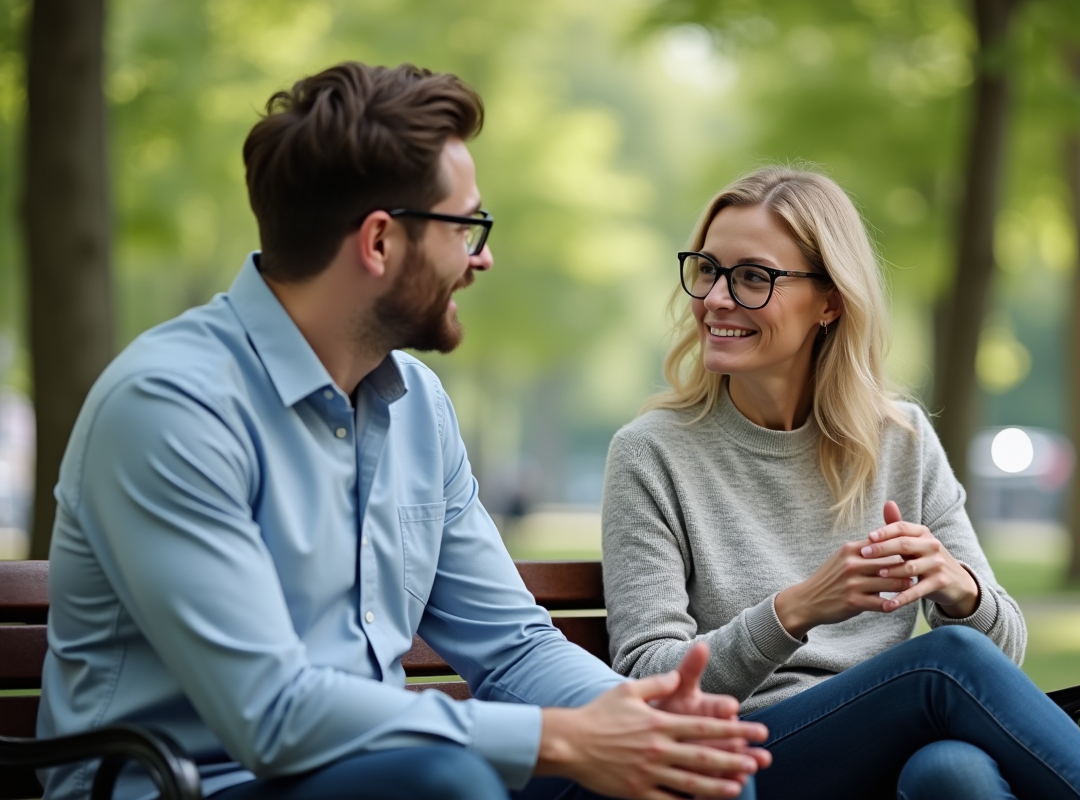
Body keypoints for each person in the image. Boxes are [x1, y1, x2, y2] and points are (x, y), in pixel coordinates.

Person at [37, 62, 772, 800]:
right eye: (468, 226)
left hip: (383, 772)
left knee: (695, 779)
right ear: (380, 241)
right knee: (439, 781)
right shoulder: (170, 407)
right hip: (187, 785)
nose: (483, 257)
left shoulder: (417, 405)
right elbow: (272, 713)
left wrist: (636, 715)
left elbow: (512, 649)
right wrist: (561, 738)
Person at [601, 167, 1080, 799]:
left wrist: (960, 590)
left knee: (953, 773)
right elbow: (649, 684)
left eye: (752, 277)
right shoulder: (651, 453)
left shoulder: (900, 439)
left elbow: (1004, 653)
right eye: (708, 269)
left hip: (891, 747)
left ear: (830, 301)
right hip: (743, 763)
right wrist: (796, 609)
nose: (717, 298)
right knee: (944, 665)